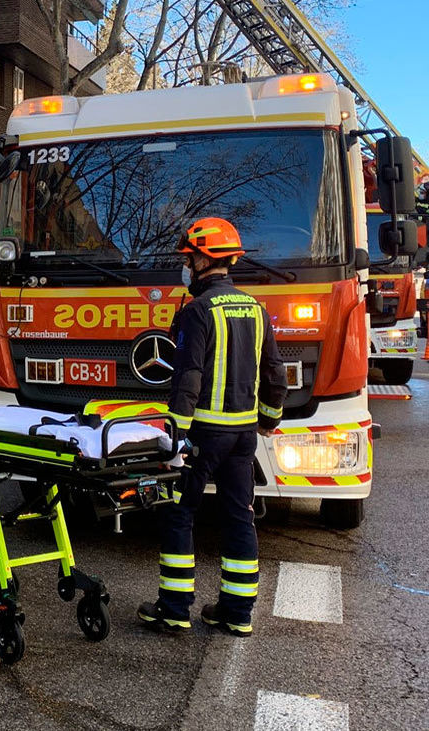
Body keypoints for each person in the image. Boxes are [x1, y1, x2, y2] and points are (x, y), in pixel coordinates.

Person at [137, 217, 287, 639]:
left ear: (204, 261)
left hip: (202, 435)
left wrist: (175, 434)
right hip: (243, 437)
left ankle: (174, 609)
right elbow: (275, 372)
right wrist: (269, 418)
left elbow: (188, 376)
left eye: (189, 259)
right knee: (239, 516)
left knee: (179, 512)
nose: (186, 267)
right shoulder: (255, 309)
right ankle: (236, 612)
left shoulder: (198, 311)